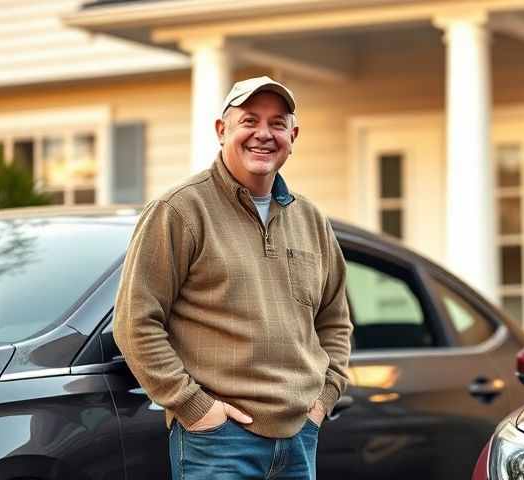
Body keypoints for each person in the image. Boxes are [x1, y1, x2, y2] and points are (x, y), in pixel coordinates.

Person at [114, 75, 353, 480]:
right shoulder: (179, 211)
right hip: (218, 444)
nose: (264, 134)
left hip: (299, 438)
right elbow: (135, 322)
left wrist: (322, 400)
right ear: (222, 130)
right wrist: (195, 408)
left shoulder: (311, 220)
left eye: (278, 124)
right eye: (249, 120)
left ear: (293, 136)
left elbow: (334, 321)